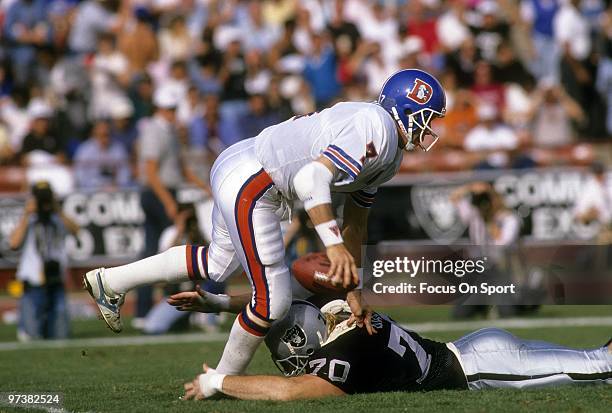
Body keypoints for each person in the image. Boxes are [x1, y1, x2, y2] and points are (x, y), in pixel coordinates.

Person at [83, 69, 447, 393]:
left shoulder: (387, 150)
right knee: (273, 300)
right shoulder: (378, 127)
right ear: (405, 109)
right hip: (255, 179)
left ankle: (111, 280)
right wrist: (334, 247)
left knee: (217, 265)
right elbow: (310, 178)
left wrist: (354, 289)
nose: (430, 129)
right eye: (427, 118)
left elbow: (357, 219)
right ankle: (221, 384)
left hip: (248, 168)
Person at [180, 300, 612, 400]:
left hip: (479, 368)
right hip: (475, 348)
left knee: (602, 366)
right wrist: (220, 303)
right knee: (598, 357)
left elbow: (291, 393)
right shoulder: (348, 314)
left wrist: (217, 380)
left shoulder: (343, 351)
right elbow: (282, 299)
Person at [9, 181, 79, 341]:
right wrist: (27, 214)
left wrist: (58, 210)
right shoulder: (29, 220)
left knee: (61, 336)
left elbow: (76, 230)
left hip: (56, 282)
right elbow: (14, 243)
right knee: (32, 337)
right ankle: (25, 325)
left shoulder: (57, 219)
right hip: (34, 284)